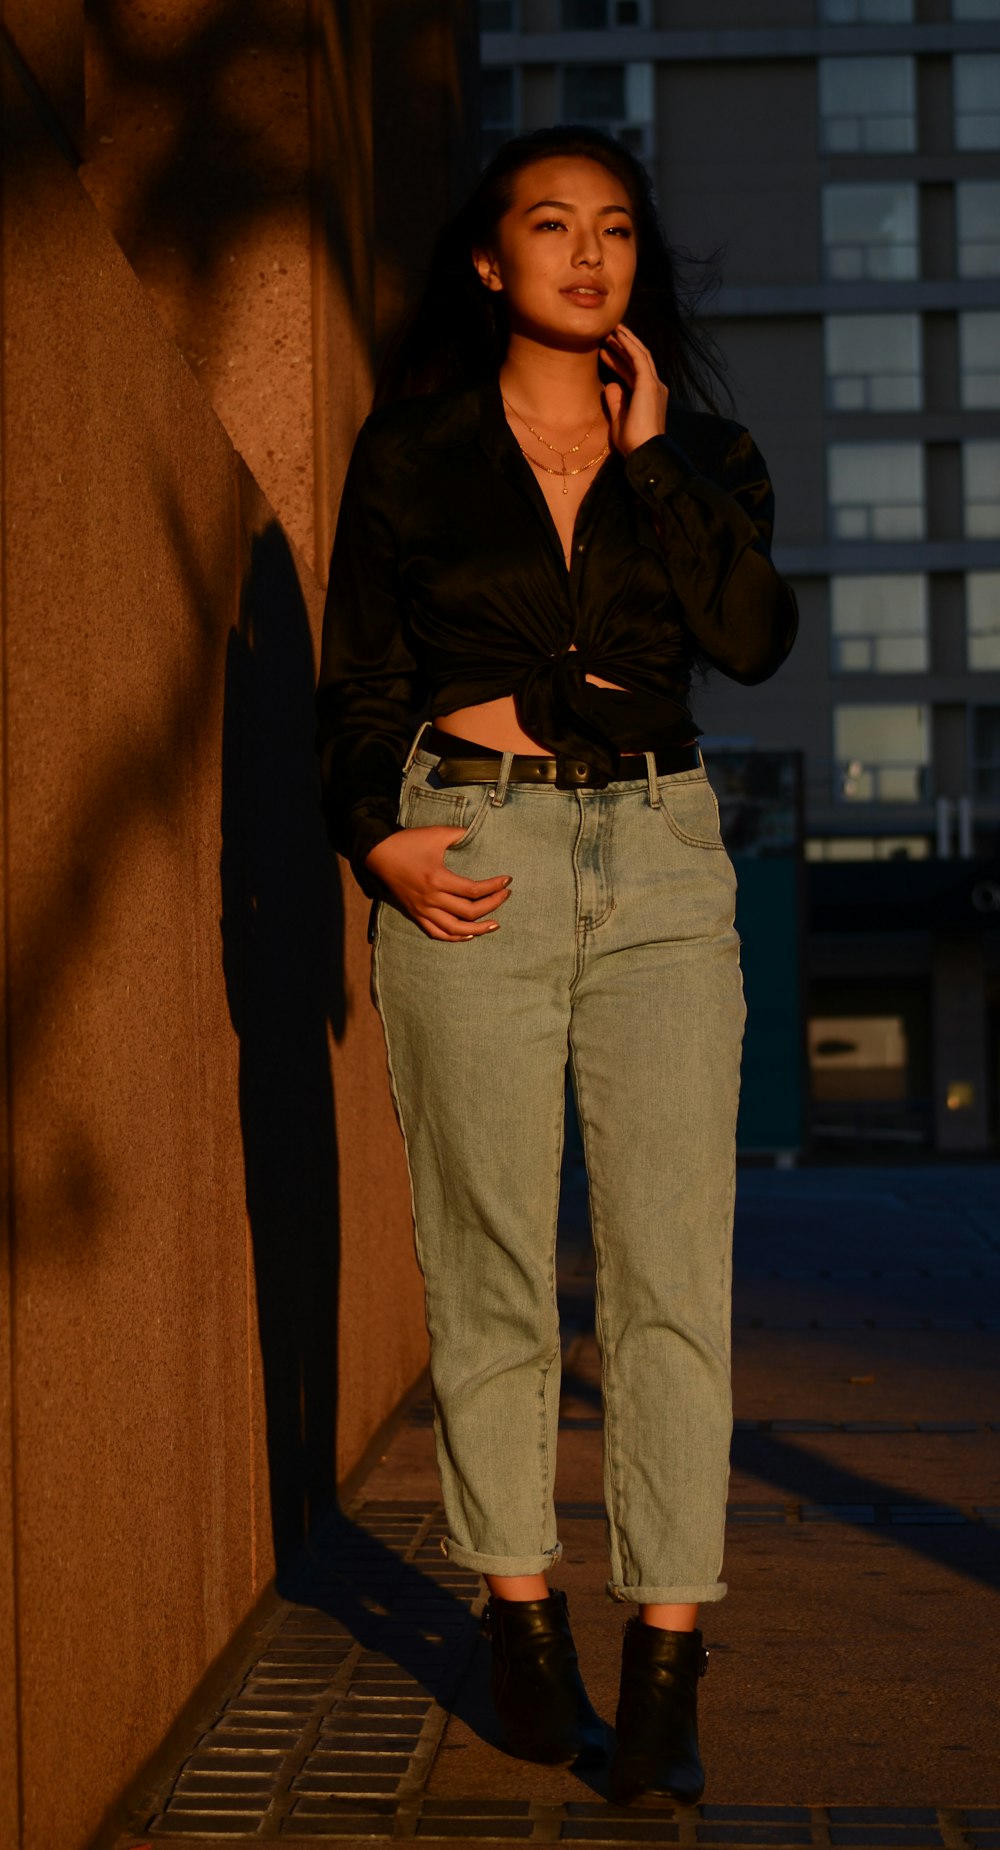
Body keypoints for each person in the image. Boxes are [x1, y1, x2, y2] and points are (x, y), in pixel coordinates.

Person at [316, 125, 798, 1805]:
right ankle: (522, 1626)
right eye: (550, 226)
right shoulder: (416, 453)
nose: (586, 255)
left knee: (676, 1274)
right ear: (490, 262)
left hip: (662, 860)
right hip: (473, 860)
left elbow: (749, 639)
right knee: (494, 1261)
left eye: (612, 231)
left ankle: (666, 1653)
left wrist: (654, 463)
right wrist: (377, 840)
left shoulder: (707, 454)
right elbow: (358, 679)